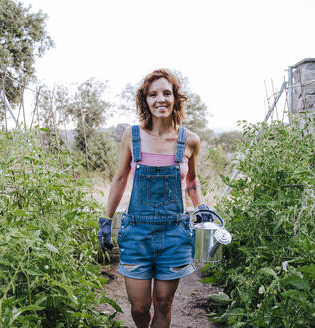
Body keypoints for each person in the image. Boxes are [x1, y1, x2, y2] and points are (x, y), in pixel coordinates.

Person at [97, 69, 212, 328]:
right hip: (137, 232)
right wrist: (106, 219)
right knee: (139, 307)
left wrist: (201, 206)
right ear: (145, 100)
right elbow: (119, 179)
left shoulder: (190, 141)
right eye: (153, 94)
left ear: (175, 99)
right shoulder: (132, 135)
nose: (160, 99)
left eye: (166, 93)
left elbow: (192, 181)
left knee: (163, 303)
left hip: (174, 234)